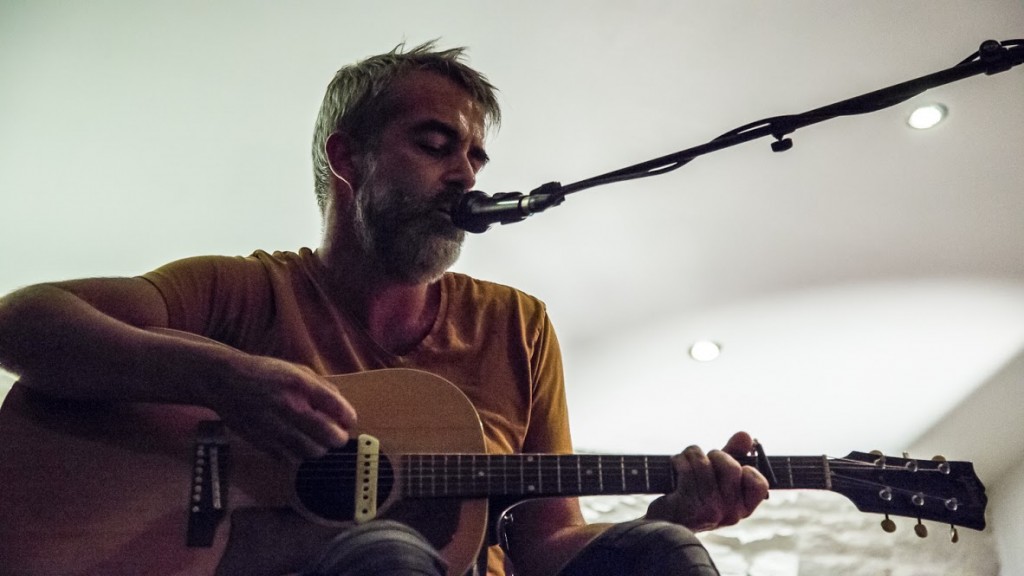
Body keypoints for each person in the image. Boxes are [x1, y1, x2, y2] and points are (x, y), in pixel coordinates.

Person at [0, 41, 768, 576]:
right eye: (435, 145)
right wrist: (222, 379)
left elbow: (545, 547)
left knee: (664, 553)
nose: (465, 176)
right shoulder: (244, 292)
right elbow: (23, 322)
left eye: (474, 157)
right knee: (389, 551)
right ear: (347, 159)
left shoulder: (519, 326)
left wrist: (668, 514)